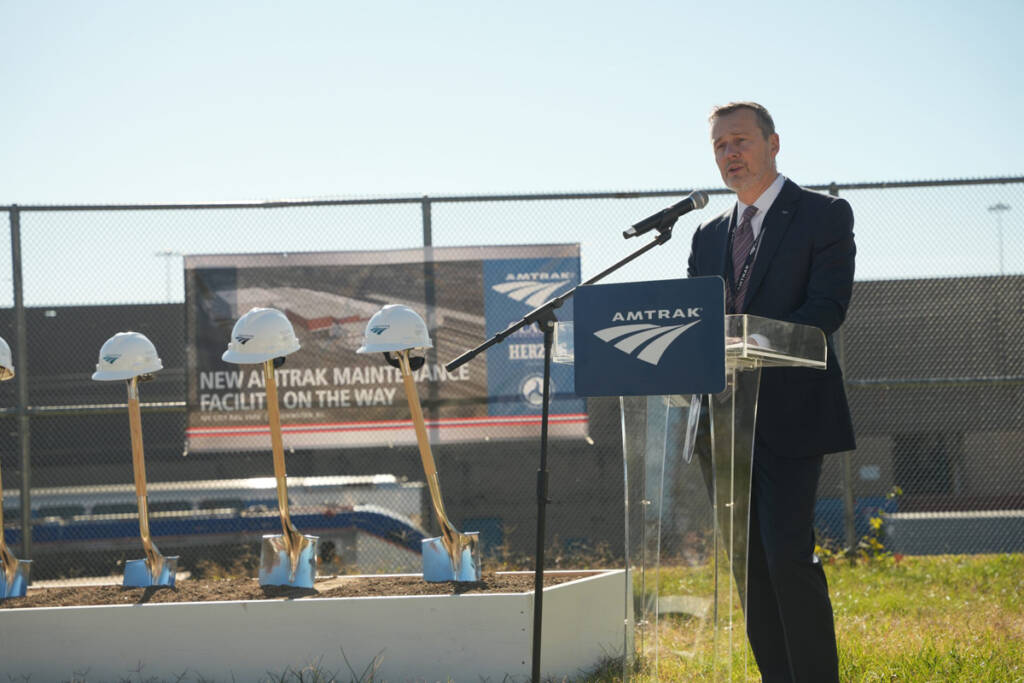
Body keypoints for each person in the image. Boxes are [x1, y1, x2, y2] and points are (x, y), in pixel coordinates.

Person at [687, 101, 856, 683]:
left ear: (773, 143)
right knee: (750, 569)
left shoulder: (822, 216)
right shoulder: (707, 235)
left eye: (740, 141)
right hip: (722, 424)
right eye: (719, 147)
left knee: (787, 558)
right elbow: (693, 325)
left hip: (789, 416)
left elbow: (826, 310)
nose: (730, 154)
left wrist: (747, 341)